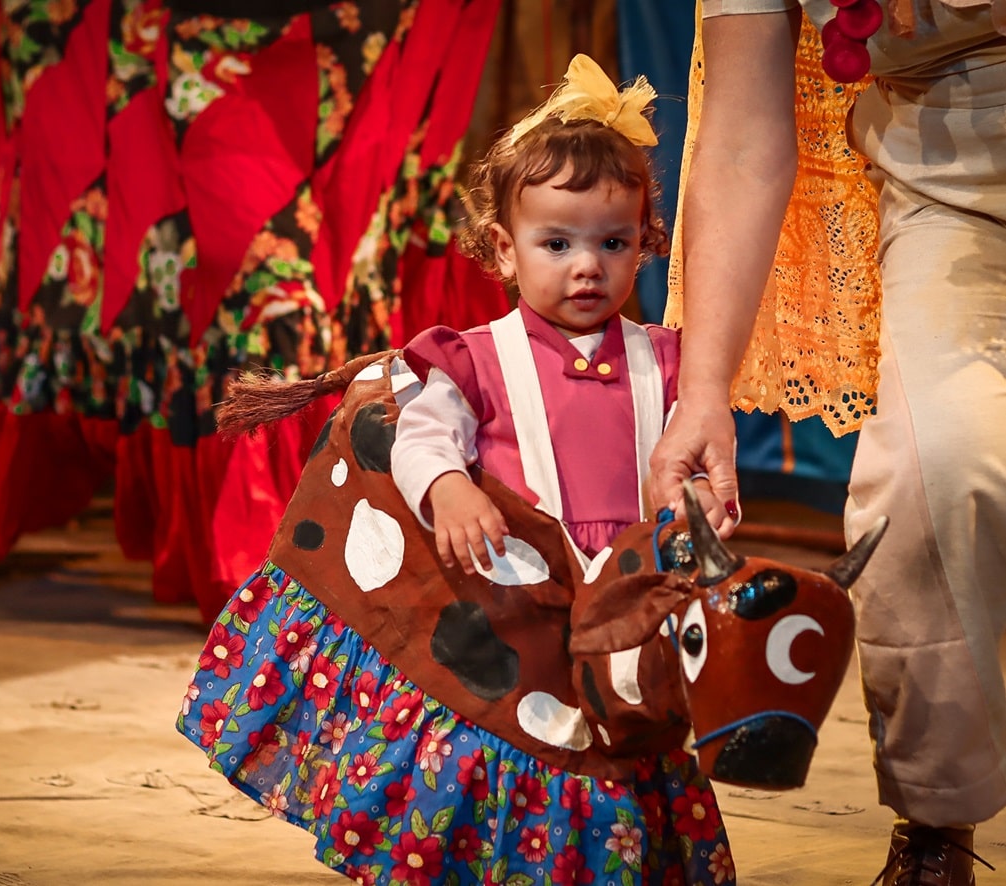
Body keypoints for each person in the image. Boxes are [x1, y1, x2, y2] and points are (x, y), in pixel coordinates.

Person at [178, 54, 735, 884]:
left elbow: (686, 459)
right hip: (516, 592)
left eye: (612, 243)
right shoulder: (472, 359)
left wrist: (698, 511)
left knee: (616, 745)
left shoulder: (667, 362)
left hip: (623, 604)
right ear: (503, 252)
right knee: (517, 740)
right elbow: (421, 434)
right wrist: (448, 487)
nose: (587, 266)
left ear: (646, 245)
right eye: (557, 243)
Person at [646, 6, 1006, 885]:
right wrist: (703, 394)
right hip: (956, 193)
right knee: (932, 475)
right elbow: (739, 140)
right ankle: (935, 825)